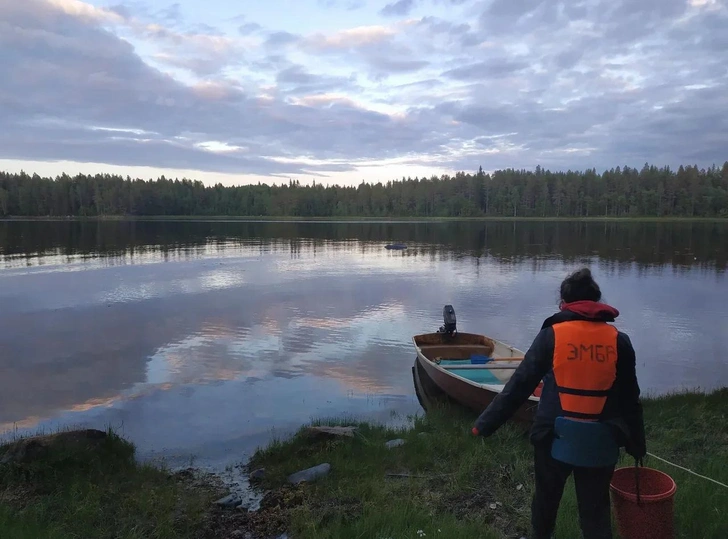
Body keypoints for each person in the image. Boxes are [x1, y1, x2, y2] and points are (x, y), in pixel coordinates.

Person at [471, 268, 646, 539]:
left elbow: (519, 386)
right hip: (601, 440)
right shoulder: (619, 341)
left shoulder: (551, 335)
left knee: (546, 501)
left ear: (564, 304)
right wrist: (637, 444)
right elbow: (630, 400)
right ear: (597, 302)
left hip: (553, 437)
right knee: (595, 511)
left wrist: (484, 425)